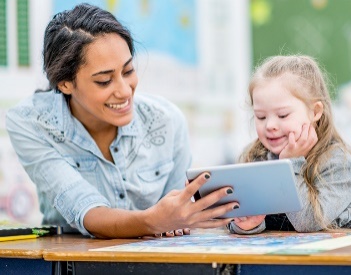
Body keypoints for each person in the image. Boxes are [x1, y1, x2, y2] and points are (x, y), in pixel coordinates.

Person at [5, 3, 238, 239]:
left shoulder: (167, 121)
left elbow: (176, 220)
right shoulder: (30, 123)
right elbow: (85, 209)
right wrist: (153, 221)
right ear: (65, 84)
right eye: (104, 81)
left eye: (128, 71)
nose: (125, 91)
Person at [228, 55, 351, 234]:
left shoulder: (340, 163)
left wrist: (291, 163)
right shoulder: (255, 157)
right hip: (268, 260)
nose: (270, 125)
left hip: (328, 261)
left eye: (283, 115)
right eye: (260, 116)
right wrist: (247, 224)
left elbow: (308, 222)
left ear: (315, 111)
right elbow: (233, 217)